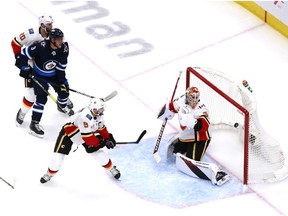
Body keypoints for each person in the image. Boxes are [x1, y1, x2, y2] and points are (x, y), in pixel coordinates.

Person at [157, 86, 230, 185]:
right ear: (187, 96)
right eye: (192, 98)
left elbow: (203, 127)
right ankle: (184, 146)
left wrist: (190, 121)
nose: (194, 101)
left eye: (196, 98)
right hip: (186, 136)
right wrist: (166, 111)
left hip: (201, 138)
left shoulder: (202, 108)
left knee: (192, 161)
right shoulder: (181, 101)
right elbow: (171, 106)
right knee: (176, 149)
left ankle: (216, 174)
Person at [11, 14, 73, 127]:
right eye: (49, 24)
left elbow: (61, 61)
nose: (51, 26)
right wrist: (21, 63)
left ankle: (62, 102)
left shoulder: (56, 37)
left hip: (49, 66)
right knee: (32, 94)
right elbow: (15, 43)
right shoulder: (31, 34)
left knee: (61, 84)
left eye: (51, 24)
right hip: (32, 65)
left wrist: (62, 81)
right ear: (42, 25)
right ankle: (22, 113)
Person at [40, 97, 120, 184]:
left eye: (101, 109)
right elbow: (88, 139)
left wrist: (108, 138)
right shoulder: (84, 117)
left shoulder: (99, 114)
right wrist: (102, 142)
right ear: (92, 108)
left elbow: (101, 128)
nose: (100, 112)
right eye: (98, 110)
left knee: (99, 154)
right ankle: (49, 174)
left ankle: (112, 168)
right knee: (57, 158)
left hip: (86, 133)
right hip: (70, 133)